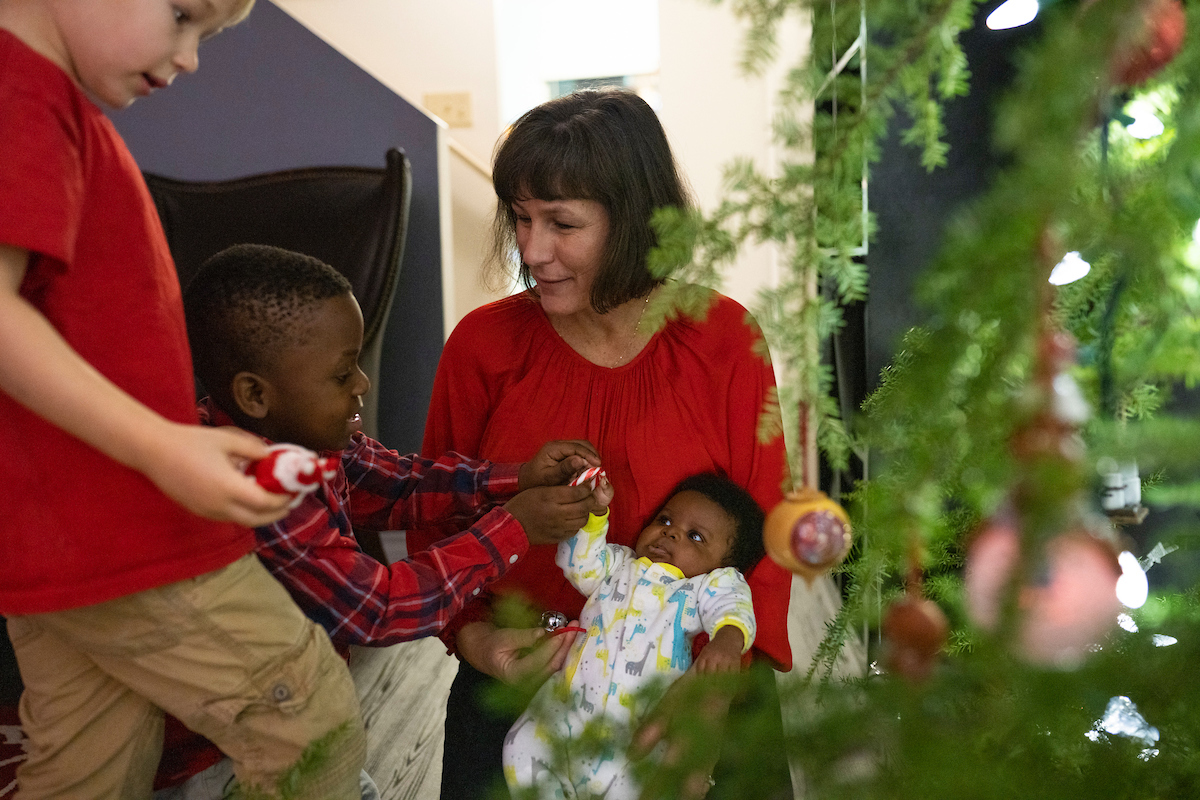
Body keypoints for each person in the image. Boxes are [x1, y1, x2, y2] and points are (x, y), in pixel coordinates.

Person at [0, 1, 368, 798]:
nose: (190, 57)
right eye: (181, 14)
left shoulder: (49, 106)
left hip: (60, 549)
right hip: (122, 537)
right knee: (313, 723)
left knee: (85, 768)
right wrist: (163, 447)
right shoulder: (22, 98)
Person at [410, 88, 795, 799]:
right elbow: (434, 524)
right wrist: (476, 641)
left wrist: (715, 691)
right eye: (521, 219)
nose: (531, 250)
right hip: (520, 679)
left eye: (562, 223)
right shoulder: (482, 347)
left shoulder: (723, 340)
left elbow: (768, 533)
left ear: (634, 223)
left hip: (699, 678)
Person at [157, 243, 604, 798]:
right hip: (227, 750)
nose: (363, 384)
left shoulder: (304, 436)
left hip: (293, 716)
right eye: (342, 373)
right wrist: (514, 527)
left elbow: (400, 483)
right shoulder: (252, 487)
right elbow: (379, 608)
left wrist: (517, 478)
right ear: (255, 394)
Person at [503, 472, 765, 800]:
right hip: (564, 717)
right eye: (665, 519)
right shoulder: (618, 565)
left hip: (632, 738)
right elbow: (578, 564)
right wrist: (596, 515)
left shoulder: (699, 589)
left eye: (695, 536)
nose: (670, 533)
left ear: (723, 565)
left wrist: (728, 639)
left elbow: (732, 601)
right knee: (520, 747)